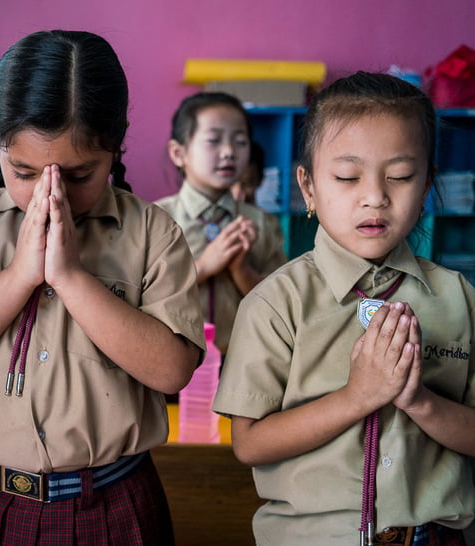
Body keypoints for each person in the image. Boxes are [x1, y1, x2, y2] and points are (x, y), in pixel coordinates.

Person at [0, 30, 206, 545]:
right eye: (22, 171)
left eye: (81, 173)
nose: (51, 191)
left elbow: (172, 371)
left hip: (110, 506)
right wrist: (21, 274)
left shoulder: (153, 233)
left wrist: (69, 276)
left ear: (115, 146)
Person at [213, 71, 475, 545]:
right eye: (347, 177)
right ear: (309, 187)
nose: (374, 196)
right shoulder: (275, 304)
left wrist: (419, 402)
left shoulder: (459, 298)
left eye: (399, 176)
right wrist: (359, 397)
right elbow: (250, 443)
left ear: (427, 186)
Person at [155, 92, 286, 356]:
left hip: (243, 363)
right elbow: (143, 297)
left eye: (240, 141)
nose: (228, 152)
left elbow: (282, 304)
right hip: (171, 361)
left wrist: (242, 271)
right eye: (214, 141)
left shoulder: (263, 222)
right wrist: (203, 267)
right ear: (179, 153)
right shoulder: (157, 218)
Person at [230, 139, 265, 205]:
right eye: (230, 184)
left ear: (260, 180)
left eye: (248, 184)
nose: (236, 197)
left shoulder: (265, 215)